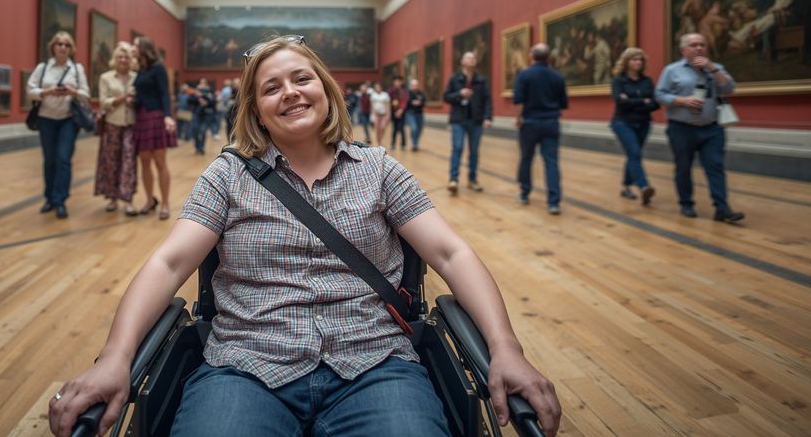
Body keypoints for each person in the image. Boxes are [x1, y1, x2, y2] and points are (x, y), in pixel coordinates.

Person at [47, 35, 561, 437]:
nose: (290, 92)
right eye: (271, 87)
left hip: (374, 364)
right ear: (256, 109)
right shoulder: (227, 177)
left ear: (325, 89)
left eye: (301, 79)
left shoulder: (379, 169)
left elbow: (451, 253)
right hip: (245, 366)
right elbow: (169, 264)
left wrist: (506, 348)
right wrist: (116, 357)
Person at [655, 33, 745, 222]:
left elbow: (729, 89)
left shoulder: (716, 68)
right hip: (682, 128)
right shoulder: (672, 70)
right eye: (694, 45)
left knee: (716, 166)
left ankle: (722, 208)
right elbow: (660, 95)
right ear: (683, 50)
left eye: (702, 45)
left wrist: (711, 68)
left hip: (712, 128)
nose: (699, 48)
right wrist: (682, 100)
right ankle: (686, 204)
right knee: (683, 167)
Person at [27, 31, 91, 219]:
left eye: (67, 45)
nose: (63, 47)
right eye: (59, 44)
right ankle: (49, 198)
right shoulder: (43, 67)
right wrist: (47, 91)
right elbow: (30, 91)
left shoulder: (77, 69)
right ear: (53, 46)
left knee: (63, 159)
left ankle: (60, 200)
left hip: (68, 120)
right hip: (46, 118)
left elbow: (86, 94)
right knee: (50, 160)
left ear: (71, 49)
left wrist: (73, 92)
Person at [513, 44, 568, 215]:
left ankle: (524, 193)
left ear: (532, 56)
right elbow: (563, 103)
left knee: (526, 158)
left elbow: (519, 101)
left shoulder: (524, 75)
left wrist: (518, 119)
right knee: (551, 162)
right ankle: (553, 202)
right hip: (551, 122)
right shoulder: (558, 77)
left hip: (530, 122)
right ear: (548, 57)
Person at [131, 36, 177, 220]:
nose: (132, 48)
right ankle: (150, 200)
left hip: (156, 116)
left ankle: (165, 203)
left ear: (144, 48)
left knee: (160, 162)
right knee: (144, 162)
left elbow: (164, 93)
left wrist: (168, 115)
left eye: (135, 45)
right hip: (141, 117)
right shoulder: (140, 70)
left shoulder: (158, 67)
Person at [609, 47, 659, 205]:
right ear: (626, 62)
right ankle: (644, 186)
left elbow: (655, 103)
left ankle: (625, 187)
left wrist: (631, 101)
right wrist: (643, 101)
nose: (638, 62)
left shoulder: (647, 81)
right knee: (635, 153)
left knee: (633, 156)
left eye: (640, 60)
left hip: (644, 123)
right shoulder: (618, 80)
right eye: (634, 59)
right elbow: (620, 102)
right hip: (622, 122)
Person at [95, 42, 139, 216]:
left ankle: (128, 200)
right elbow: (103, 102)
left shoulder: (136, 77)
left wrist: (134, 101)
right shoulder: (106, 77)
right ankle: (112, 198)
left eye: (126, 57)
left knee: (129, 161)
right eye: (120, 57)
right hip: (112, 124)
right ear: (115, 59)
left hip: (131, 125)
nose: (123, 60)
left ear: (131, 60)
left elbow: (142, 99)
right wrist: (121, 99)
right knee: (111, 161)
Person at [443, 51, 492, 194]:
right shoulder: (455, 78)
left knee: (474, 151)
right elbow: (446, 97)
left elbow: (487, 100)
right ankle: (453, 180)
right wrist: (460, 94)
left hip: (476, 120)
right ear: (462, 62)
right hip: (458, 119)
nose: (471, 60)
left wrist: (487, 117)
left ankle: (472, 180)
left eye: (473, 58)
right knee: (457, 148)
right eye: (468, 58)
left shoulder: (481, 80)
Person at [189, 78, 217, 155]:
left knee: (203, 131)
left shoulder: (210, 91)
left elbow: (213, 101)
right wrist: (198, 99)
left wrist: (205, 101)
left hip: (206, 114)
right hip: (196, 114)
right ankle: (197, 147)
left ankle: (201, 148)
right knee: (195, 130)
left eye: (204, 83)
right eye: (201, 82)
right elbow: (189, 100)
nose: (202, 84)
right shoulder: (194, 91)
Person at [388, 75, 410, 150]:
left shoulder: (404, 91)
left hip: (402, 113)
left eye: (398, 81)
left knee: (401, 128)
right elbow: (389, 101)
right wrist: (394, 110)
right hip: (393, 112)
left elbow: (405, 101)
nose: (397, 83)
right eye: (395, 81)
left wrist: (400, 110)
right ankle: (393, 144)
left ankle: (403, 145)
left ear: (401, 82)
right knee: (394, 129)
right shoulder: (391, 91)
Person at [405, 78, 426, 151]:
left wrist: (420, 103)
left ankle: (416, 142)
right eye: (413, 85)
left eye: (416, 85)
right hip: (410, 113)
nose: (415, 86)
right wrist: (412, 103)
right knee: (414, 128)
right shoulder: (407, 93)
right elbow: (405, 103)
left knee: (420, 129)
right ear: (410, 85)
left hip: (419, 113)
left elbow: (424, 101)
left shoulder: (421, 93)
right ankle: (414, 144)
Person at [369, 82, 391, 147]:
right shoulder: (373, 95)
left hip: (384, 114)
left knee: (382, 127)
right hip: (376, 114)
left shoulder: (385, 95)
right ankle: (378, 141)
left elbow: (388, 105)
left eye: (378, 87)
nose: (377, 88)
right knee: (377, 128)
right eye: (376, 87)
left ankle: (381, 140)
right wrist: (372, 115)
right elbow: (372, 106)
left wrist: (388, 114)